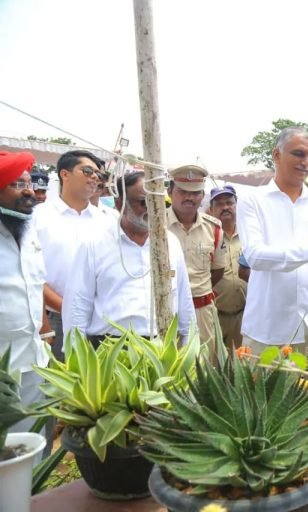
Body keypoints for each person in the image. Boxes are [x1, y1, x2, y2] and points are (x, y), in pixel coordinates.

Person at [237, 127, 308, 353]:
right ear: (277, 155)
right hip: (266, 329)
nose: (306, 162)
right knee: (260, 389)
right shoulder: (253, 201)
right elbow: (256, 256)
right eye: (299, 154)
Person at [63, 172, 195, 345]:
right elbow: (77, 305)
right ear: (120, 204)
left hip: (163, 348)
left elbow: (184, 297)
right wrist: (75, 354)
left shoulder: (170, 242)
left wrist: (191, 343)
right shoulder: (94, 243)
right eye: (143, 202)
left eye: (157, 203)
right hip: (110, 350)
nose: (152, 209)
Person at [33, 150, 113, 360]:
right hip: (53, 319)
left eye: (98, 174)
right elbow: (29, 273)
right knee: (58, 388)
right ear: (64, 174)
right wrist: (67, 308)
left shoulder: (108, 221)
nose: (95, 177)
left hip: (100, 320)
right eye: (87, 171)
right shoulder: (37, 217)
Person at [0, 152, 50, 433]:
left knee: (34, 439)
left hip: (33, 358)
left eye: (28, 182)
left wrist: (45, 333)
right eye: (17, 185)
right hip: (2, 364)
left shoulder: (29, 228)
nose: (29, 191)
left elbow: (35, 285)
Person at [167, 164, 226, 357]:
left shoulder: (214, 228)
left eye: (195, 193)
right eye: (182, 191)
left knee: (205, 367)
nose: (189, 197)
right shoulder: (155, 224)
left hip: (202, 310)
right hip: (167, 309)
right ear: (170, 191)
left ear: (202, 196)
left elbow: (217, 270)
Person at [209, 185, 247, 349]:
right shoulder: (207, 235)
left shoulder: (249, 235)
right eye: (219, 204)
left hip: (244, 316)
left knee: (241, 367)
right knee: (214, 366)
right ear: (211, 209)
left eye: (229, 202)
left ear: (236, 205)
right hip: (214, 316)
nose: (225, 207)